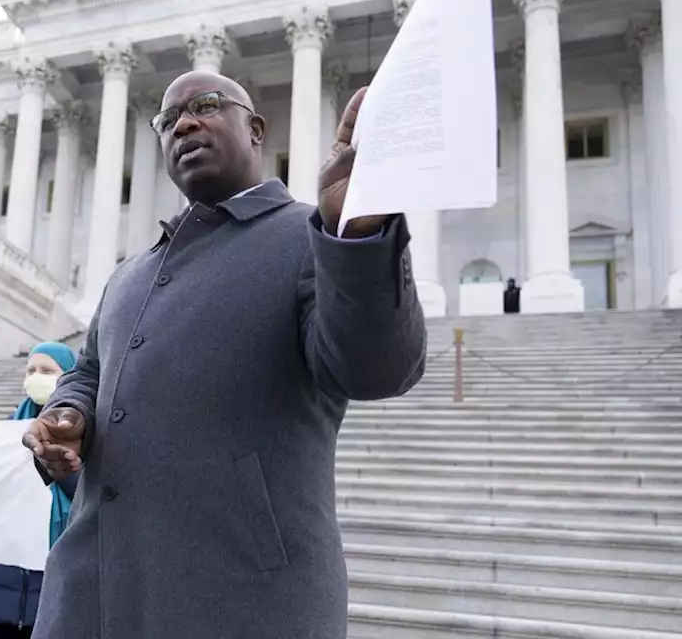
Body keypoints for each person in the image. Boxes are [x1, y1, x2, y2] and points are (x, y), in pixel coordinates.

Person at [22, 72, 427, 638]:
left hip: (240, 601)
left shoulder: (310, 237)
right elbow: (88, 371)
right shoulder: (129, 275)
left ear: (255, 129)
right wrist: (68, 416)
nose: (184, 123)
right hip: (88, 596)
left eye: (206, 106)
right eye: (169, 119)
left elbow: (377, 369)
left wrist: (358, 234)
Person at [0, 342, 78, 639]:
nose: (37, 376)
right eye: (31, 370)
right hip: (3, 586)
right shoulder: (4, 434)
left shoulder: (84, 436)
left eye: (47, 370)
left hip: (53, 585)